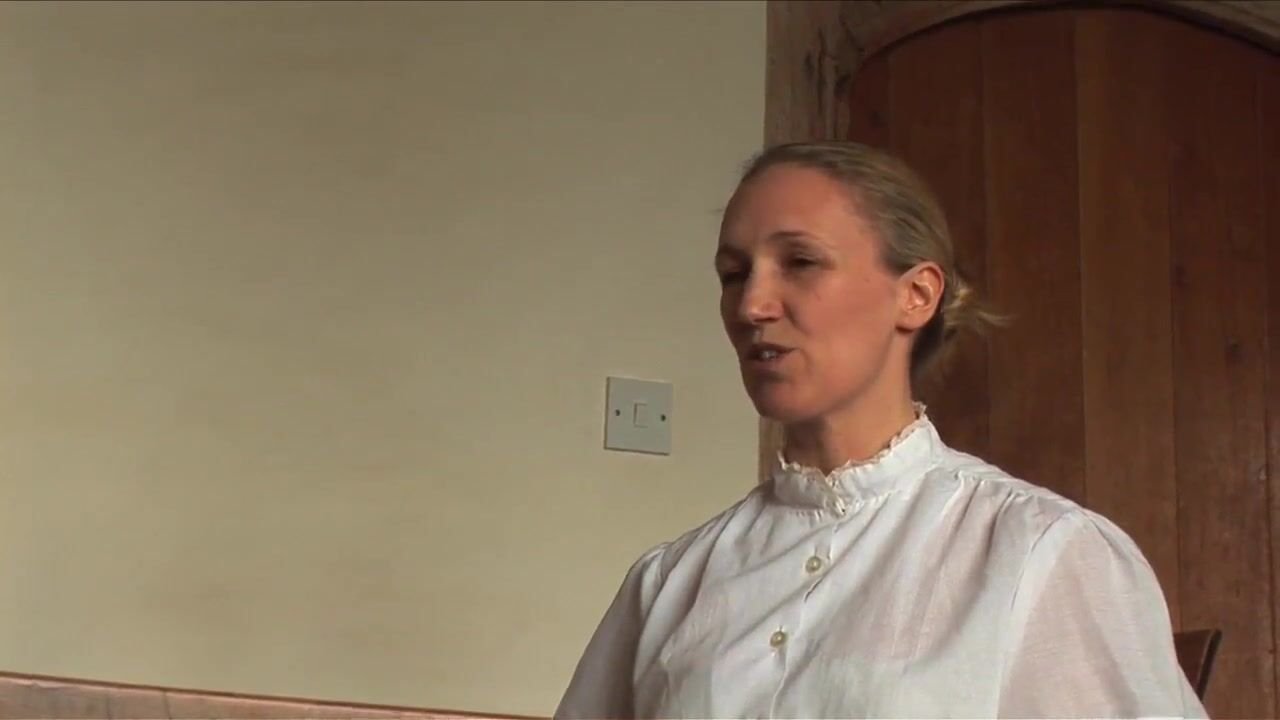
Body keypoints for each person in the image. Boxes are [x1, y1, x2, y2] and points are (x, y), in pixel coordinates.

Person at [555, 141, 1206, 719]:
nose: (751, 304)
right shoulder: (669, 582)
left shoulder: (1040, 553)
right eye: (733, 274)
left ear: (916, 295)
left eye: (800, 262)